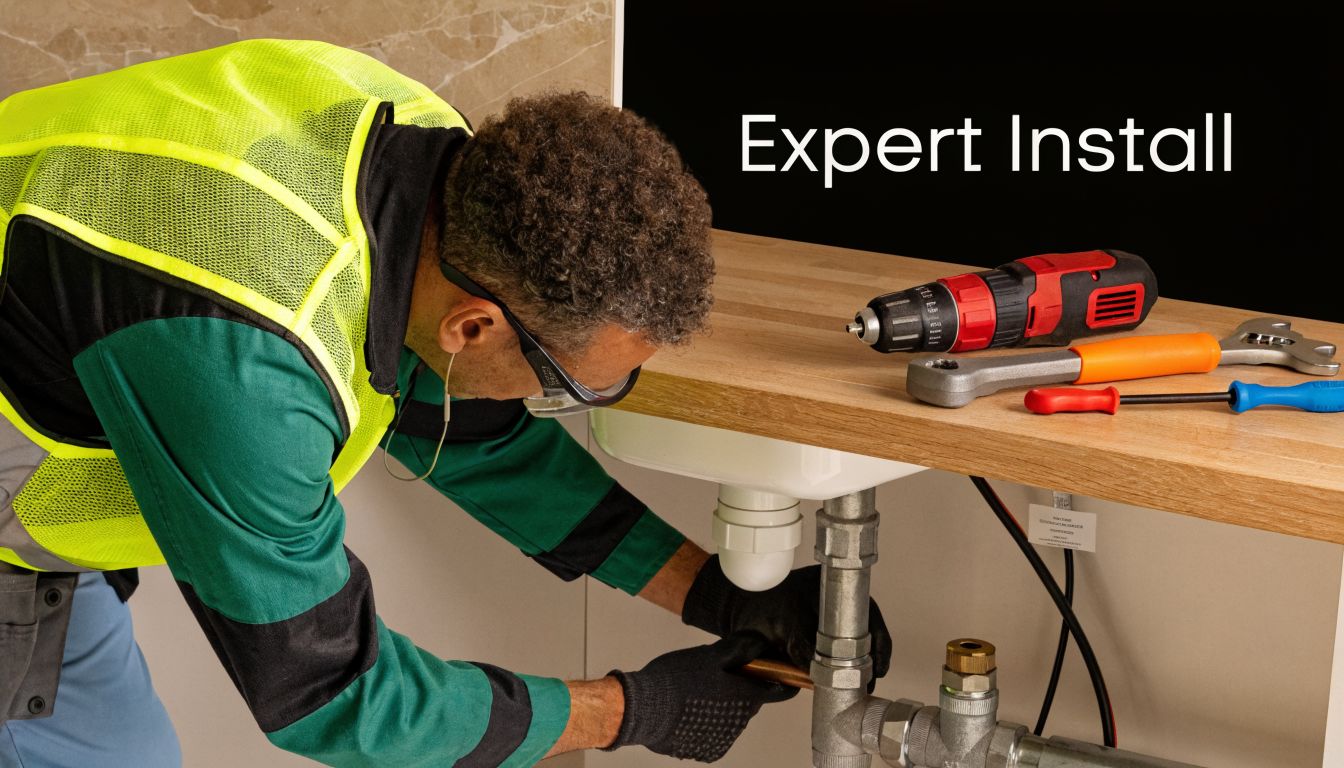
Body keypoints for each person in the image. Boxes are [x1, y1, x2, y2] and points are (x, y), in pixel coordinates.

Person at [0, 39, 889, 766]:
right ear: (475, 325)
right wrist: (632, 711)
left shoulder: (425, 155)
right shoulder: (243, 365)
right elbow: (333, 694)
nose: (568, 401)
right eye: (571, 384)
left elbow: (460, 424)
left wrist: (715, 594)